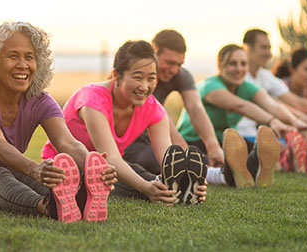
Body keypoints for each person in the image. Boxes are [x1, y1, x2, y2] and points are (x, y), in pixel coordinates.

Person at [0, 22, 117, 223]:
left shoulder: (40, 101)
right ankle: (47, 208)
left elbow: (67, 142)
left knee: (55, 177)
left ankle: (79, 200)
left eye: (29, 57)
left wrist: (92, 166)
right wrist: (35, 169)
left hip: (5, 168)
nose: (23, 65)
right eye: (13, 56)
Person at [42, 40, 208, 204]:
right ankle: (169, 192)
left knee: (137, 173)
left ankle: (181, 191)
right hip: (65, 166)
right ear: (116, 76)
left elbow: (167, 159)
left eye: (151, 78)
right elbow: (111, 158)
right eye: (137, 77)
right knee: (116, 176)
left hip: (109, 169)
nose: (144, 87)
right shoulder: (93, 100)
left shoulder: (154, 109)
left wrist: (183, 178)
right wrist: (145, 187)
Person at [176, 44, 294, 188]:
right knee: (201, 161)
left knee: (257, 149)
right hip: (195, 141)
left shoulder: (246, 87)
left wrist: (296, 122)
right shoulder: (210, 86)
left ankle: (253, 170)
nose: (239, 69)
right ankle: (238, 172)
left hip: (225, 142)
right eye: (233, 64)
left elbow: (271, 105)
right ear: (220, 65)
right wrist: (272, 120)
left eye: (243, 64)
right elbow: (240, 105)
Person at [123, 30, 224, 175]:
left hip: (158, 139)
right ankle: (211, 174)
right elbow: (159, 114)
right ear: (154, 52)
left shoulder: (180, 75)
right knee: (157, 161)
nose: (174, 70)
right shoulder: (137, 75)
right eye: (170, 63)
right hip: (131, 142)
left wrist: (212, 144)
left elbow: (195, 108)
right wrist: (181, 148)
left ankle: (223, 172)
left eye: (179, 64)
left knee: (199, 157)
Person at [237, 29, 307, 174]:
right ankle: (283, 159)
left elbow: (296, 103)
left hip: (257, 133)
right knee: (280, 147)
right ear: (247, 48)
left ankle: (286, 158)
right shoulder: (238, 77)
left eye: (269, 48)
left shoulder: (265, 76)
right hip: (239, 135)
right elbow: (278, 106)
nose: (269, 53)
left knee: (290, 143)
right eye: (263, 47)